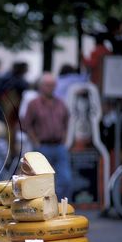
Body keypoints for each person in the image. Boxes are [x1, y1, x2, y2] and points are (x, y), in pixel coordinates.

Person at [23, 72, 72, 200]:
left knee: (65, 179)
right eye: (48, 85)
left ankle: (60, 205)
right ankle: (44, 206)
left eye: (53, 85)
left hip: (59, 146)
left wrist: (65, 139)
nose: (51, 88)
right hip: (42, 147)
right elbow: (26, 125)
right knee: (42, 181)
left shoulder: (61, 103)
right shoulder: (33, 104)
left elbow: (67, 121)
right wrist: (35, 141)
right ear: (41, 86)